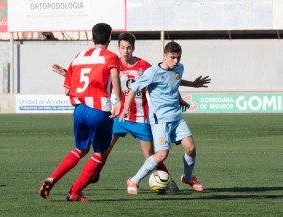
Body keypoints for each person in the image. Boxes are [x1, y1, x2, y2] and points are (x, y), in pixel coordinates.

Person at [51, 33, 210, 193]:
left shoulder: (145, 66)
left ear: (133, 48)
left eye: (128, 47)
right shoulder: (112, 63)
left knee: (151, 154)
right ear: (118, 48)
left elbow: (169, 79)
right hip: (118, 115)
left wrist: (179, 97)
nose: (125, 51)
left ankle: (167, 181)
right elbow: (91, 79)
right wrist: (68, 75)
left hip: (140, 117)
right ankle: (91, 177)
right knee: (102, 151)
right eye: (122, 47)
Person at [39, 23, 122, 202]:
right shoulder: (111, 56)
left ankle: (52, 178)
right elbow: (114, 75)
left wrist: (67, 74)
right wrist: (120, 101)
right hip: (99, 110)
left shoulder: (79, 57)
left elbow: (68, 91)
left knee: (81, 148)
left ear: (92, 38)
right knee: (100, 153)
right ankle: (75, 192)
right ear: (109, 38)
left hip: (79, 110)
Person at [119, 41, 209, 194]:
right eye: (173, 57)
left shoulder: (179, 68)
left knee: (191, 148)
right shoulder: (153, 72)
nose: (176, 61)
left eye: (178, 58)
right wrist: (125, 108)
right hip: (159, 119)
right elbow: (134, 88)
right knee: (161, 154)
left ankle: (187, 177)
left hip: (176, 117)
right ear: (164, 56)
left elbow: (175, 81)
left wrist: (191, 86)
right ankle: (133, 180)